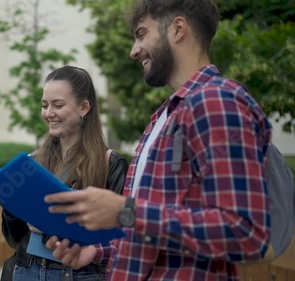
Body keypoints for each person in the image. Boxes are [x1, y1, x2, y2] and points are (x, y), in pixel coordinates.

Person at [44, 1, 272, 280]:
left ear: (178, 29)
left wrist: (125, 212)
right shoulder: (164, 116)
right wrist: (96, 251)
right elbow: (152, 233)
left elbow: (245, 232)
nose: (133, 51)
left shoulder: (216, 101)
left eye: (142, 34)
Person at [0, 65, 129, 281]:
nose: (48, 113)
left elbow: (121, 240)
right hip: (26, 270)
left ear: (84, 107)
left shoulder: (111, 164)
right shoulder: (30, 164)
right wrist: (14, 207)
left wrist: (56, 223)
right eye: (44, 105)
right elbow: (13, 239)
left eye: (58, 105)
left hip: (78, 274)